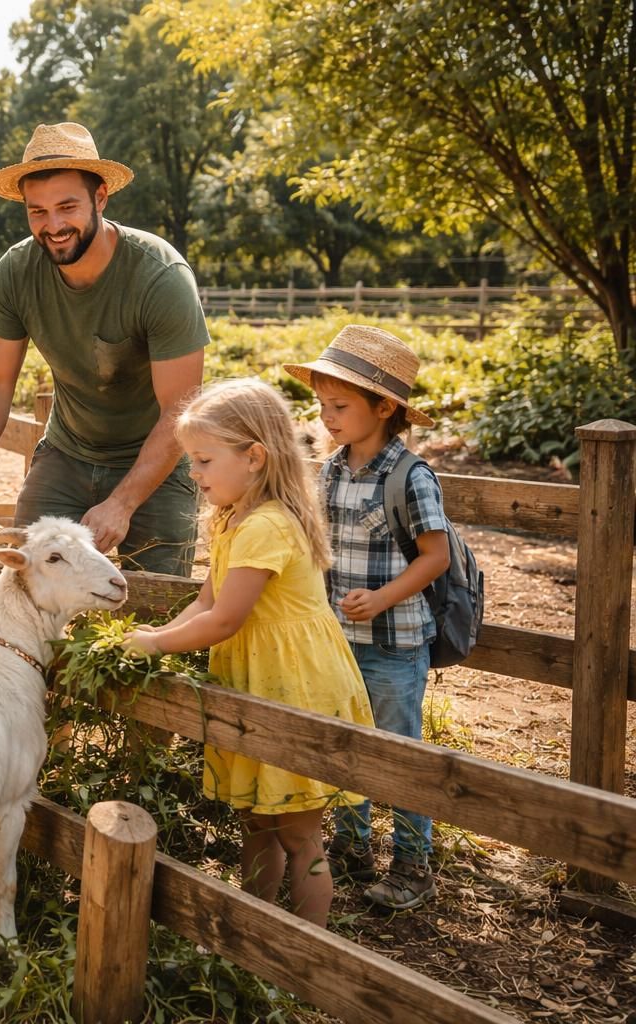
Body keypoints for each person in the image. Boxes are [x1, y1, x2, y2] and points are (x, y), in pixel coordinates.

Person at [119, 378, 374, 927]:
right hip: (258, 680)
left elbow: (226, 619)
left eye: (204, 460)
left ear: (254, 457)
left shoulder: (267, 525)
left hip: (294, 685)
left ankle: (305, 952)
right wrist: (157, 642)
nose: (194, 474)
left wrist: (155, 643)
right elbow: (206, 602)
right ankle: (255, 934)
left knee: (299, 834)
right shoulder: (233, 518)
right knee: (257, 820)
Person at [0, 121, 209, 575]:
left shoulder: (159, 276)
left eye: (67, 207)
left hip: (155, 459)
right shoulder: (17, 271)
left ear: (100, 198)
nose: (54, 225)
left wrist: (122, 503)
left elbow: (180, 410)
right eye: (38, 212)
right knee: (26, 587)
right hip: (67, 451)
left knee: (157, 603)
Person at [285, 325, 451, 911]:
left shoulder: (411, 476)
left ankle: (412, 862)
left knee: (399, 752)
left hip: (394, 643)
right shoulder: (328, 471)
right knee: (347, 744)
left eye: (340, 406)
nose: (326, 417)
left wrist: (381, 598)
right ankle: (353, 845)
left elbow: (437, 556)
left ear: (385, 408)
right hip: (337, 640)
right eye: (322, 405)